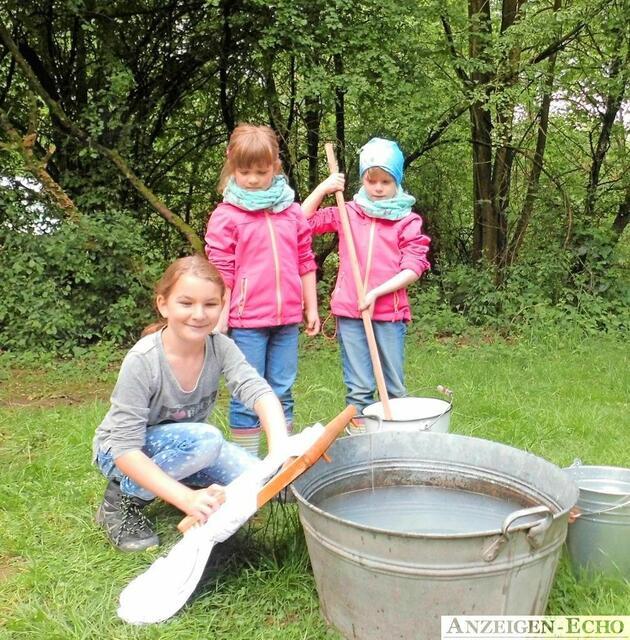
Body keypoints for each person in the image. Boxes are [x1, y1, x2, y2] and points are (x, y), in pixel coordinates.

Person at [92, 255, 289, 552]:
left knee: (263, 482)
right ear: (163, 305)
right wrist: (186, 500)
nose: (199, 314)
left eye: (210, 304)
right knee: (207, 439)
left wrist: (280, 451)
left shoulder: (221, 347)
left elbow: (257, 391)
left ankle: (182, 482)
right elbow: (125, 449)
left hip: (188, 447)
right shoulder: (143, 360)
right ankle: (121, 500)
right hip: (119, 454)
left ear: (222, 306)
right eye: (186, 303)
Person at [205, 123, 319, 456]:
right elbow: (221, 272)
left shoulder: (292, 212)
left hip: (287, 321)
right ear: (232, 167)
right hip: (247, 323)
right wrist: (220, 317)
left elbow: (305, 261)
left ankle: (282, 462)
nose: (253, 179)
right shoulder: (226, 216)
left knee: (282, 390)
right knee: (247, 393)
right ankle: (248, 466)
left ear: (275, 166)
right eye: (245, 172)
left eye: (261, 171)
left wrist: (311, 307)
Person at [301, 137, 431, 414]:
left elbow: (414, 267)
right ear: (362, 180)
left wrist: (376, 293)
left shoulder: (407, 220)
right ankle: (361, 435)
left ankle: (396, 435)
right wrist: (324, 188)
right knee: (359, 390)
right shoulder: (348, 212)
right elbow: (302, 222)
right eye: (372, 181)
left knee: (394, 390)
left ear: (397, 181)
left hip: (388, 314)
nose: (378, 188)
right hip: (351, 311)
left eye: (386, 181)